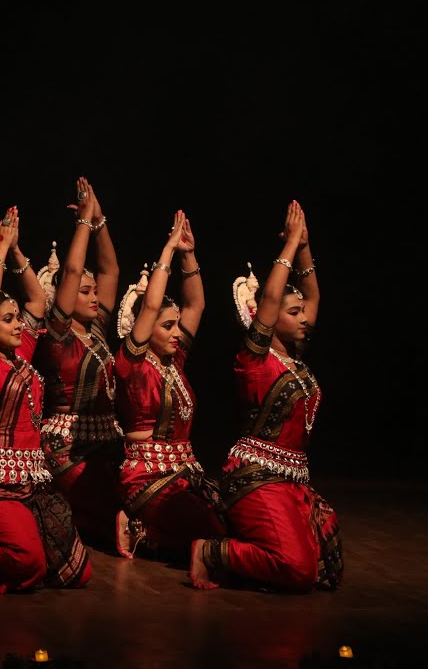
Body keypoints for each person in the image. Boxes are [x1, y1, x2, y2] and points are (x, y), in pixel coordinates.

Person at [189, 200, 342, 592]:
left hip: (291, 480)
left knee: (327, 564)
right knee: (298, 570)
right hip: (256, 478)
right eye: (295, 313)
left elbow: (314, 295)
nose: (305, 317)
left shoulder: (295, 357)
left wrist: (304, 244)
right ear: (270, 318)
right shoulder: (255, 360)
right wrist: (288, 247)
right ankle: (211, 552)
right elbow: (271, 301)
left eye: (303, 312)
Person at [0, 206, 93, 593]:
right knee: (28, 563)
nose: (15, 323)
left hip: (30, 483)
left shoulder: (21, 354)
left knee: (77, 573)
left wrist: (16, 252)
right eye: (5, 319)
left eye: (15, 318)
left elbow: (37, 300)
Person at [113, 210, 224, 558]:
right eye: (167, 326)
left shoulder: (174, 361)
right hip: (145, 476)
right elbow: (149, 308)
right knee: (212, 530)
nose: (178, 333)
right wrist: (167, 251)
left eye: (177, 325)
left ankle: (148, 532)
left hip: (183, 472)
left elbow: (197, 304)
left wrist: (188, 253)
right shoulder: (131, 364)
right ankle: (137, 524)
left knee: (228, 518)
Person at [32, 177, 125, 551]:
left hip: (106, 444)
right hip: (66, 448)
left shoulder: (97, 327)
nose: (94, 296)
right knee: (107, 511)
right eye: (84, 292)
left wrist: (100, 221)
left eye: (93, 291)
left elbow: (111, 272)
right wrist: (83, 224)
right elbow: (72, 273)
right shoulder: (59, 335)